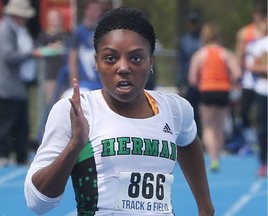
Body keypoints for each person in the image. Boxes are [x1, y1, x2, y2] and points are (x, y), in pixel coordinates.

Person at [24, 7, 214, 216]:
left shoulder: (175, 109)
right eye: (110, 58)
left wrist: (205, 206)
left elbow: (188, 142)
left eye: (136, 58)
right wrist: (74, 146)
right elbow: (36, 202)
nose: (123, 67)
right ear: (96, 62)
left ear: (151, 61)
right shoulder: (77, 111)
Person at [0, 0, 38, 165]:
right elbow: (9, 56)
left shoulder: (18, 29)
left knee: (21, 122)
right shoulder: (4, 30)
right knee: (5, 123)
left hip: (17, 84)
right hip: (5, 85)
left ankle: (20, 155)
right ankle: (3, 155)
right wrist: (31, 54)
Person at [189, 23, 241, 171]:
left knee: (208, 126)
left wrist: (201, 82)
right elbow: (237, 73)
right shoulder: (225, 53)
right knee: (219, 125)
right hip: (223, 90)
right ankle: (217, 155)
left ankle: (212, 158)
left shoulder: (200, 54)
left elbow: (192, 77)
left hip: (207, 90)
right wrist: (229, 80)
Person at [235, 3, 267, 155]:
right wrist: (238, 72)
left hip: (262, 81)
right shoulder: (245, 32)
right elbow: (239, 54)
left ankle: (262, 142)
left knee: (262, 115)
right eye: (257, 15)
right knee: (245, 112)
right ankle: (251, 141)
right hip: (249, 79)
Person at [67, 0, 103, 91]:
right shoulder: (78, 32)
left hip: (101, 82)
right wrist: (74, 83)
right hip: (85, 83)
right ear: (86, 10)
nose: (95, 12)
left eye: (97, 9)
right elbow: (72, 58)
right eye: (93, 9)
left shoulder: (103, 30)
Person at [176, 10, 202, 136]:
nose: (193, 25)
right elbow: (181, 63)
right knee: (191, 110)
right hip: (190, 81)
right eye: (191, 22)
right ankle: (193, 136)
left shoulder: (203, 40)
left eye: (195, 22)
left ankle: (202, 137)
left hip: (204, 81)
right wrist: (179, 82)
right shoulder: (184, 41)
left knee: (203, 111)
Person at [247, 18, 267, 177]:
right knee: (263, 128)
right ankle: (263, 162)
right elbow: (252, 66)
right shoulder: (261, 44)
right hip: (263, 89)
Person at [35, 9, 69, 104]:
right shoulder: (44, 35)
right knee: (52, 103)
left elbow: (70, 49)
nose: (54, 21)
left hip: (64, 74)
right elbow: (37, 51)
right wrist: (50, 48)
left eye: (56, 18)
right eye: (52, 18)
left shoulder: (66, 35)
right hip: (50, 74)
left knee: (64, 102)